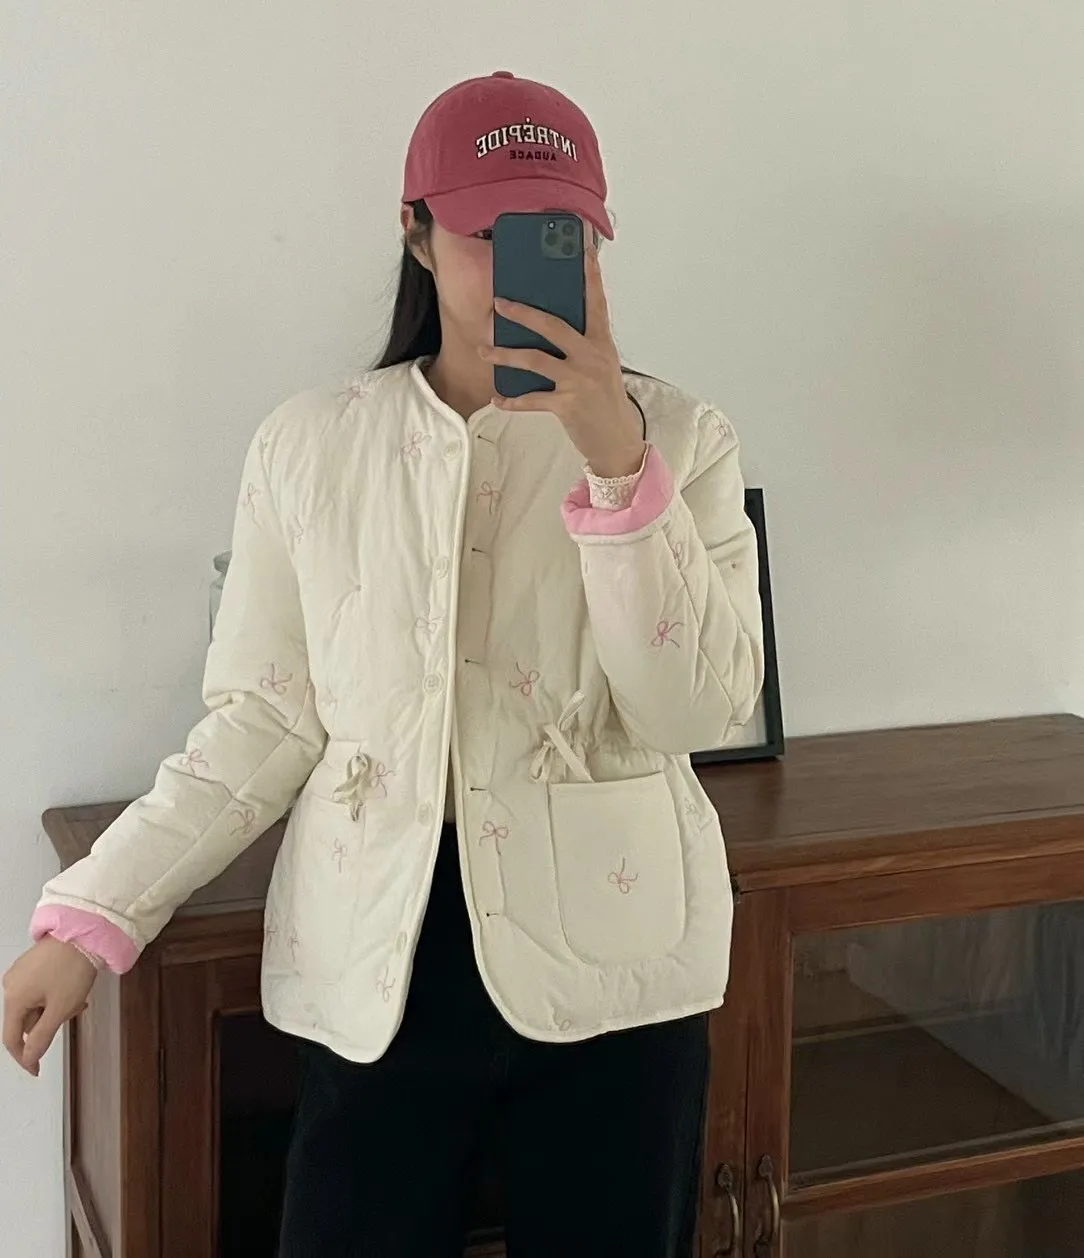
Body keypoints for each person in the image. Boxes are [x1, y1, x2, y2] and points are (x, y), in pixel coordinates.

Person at [2, 70, 764, 1257]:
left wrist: (615, 462)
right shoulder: (311, 445)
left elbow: (696, 709)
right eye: (486, 233)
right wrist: (96, 911)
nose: (518, 267)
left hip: (618, 971)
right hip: (375, 962)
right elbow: (263, 719)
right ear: (414, 232)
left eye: (556, 234)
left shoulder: (678, 438)